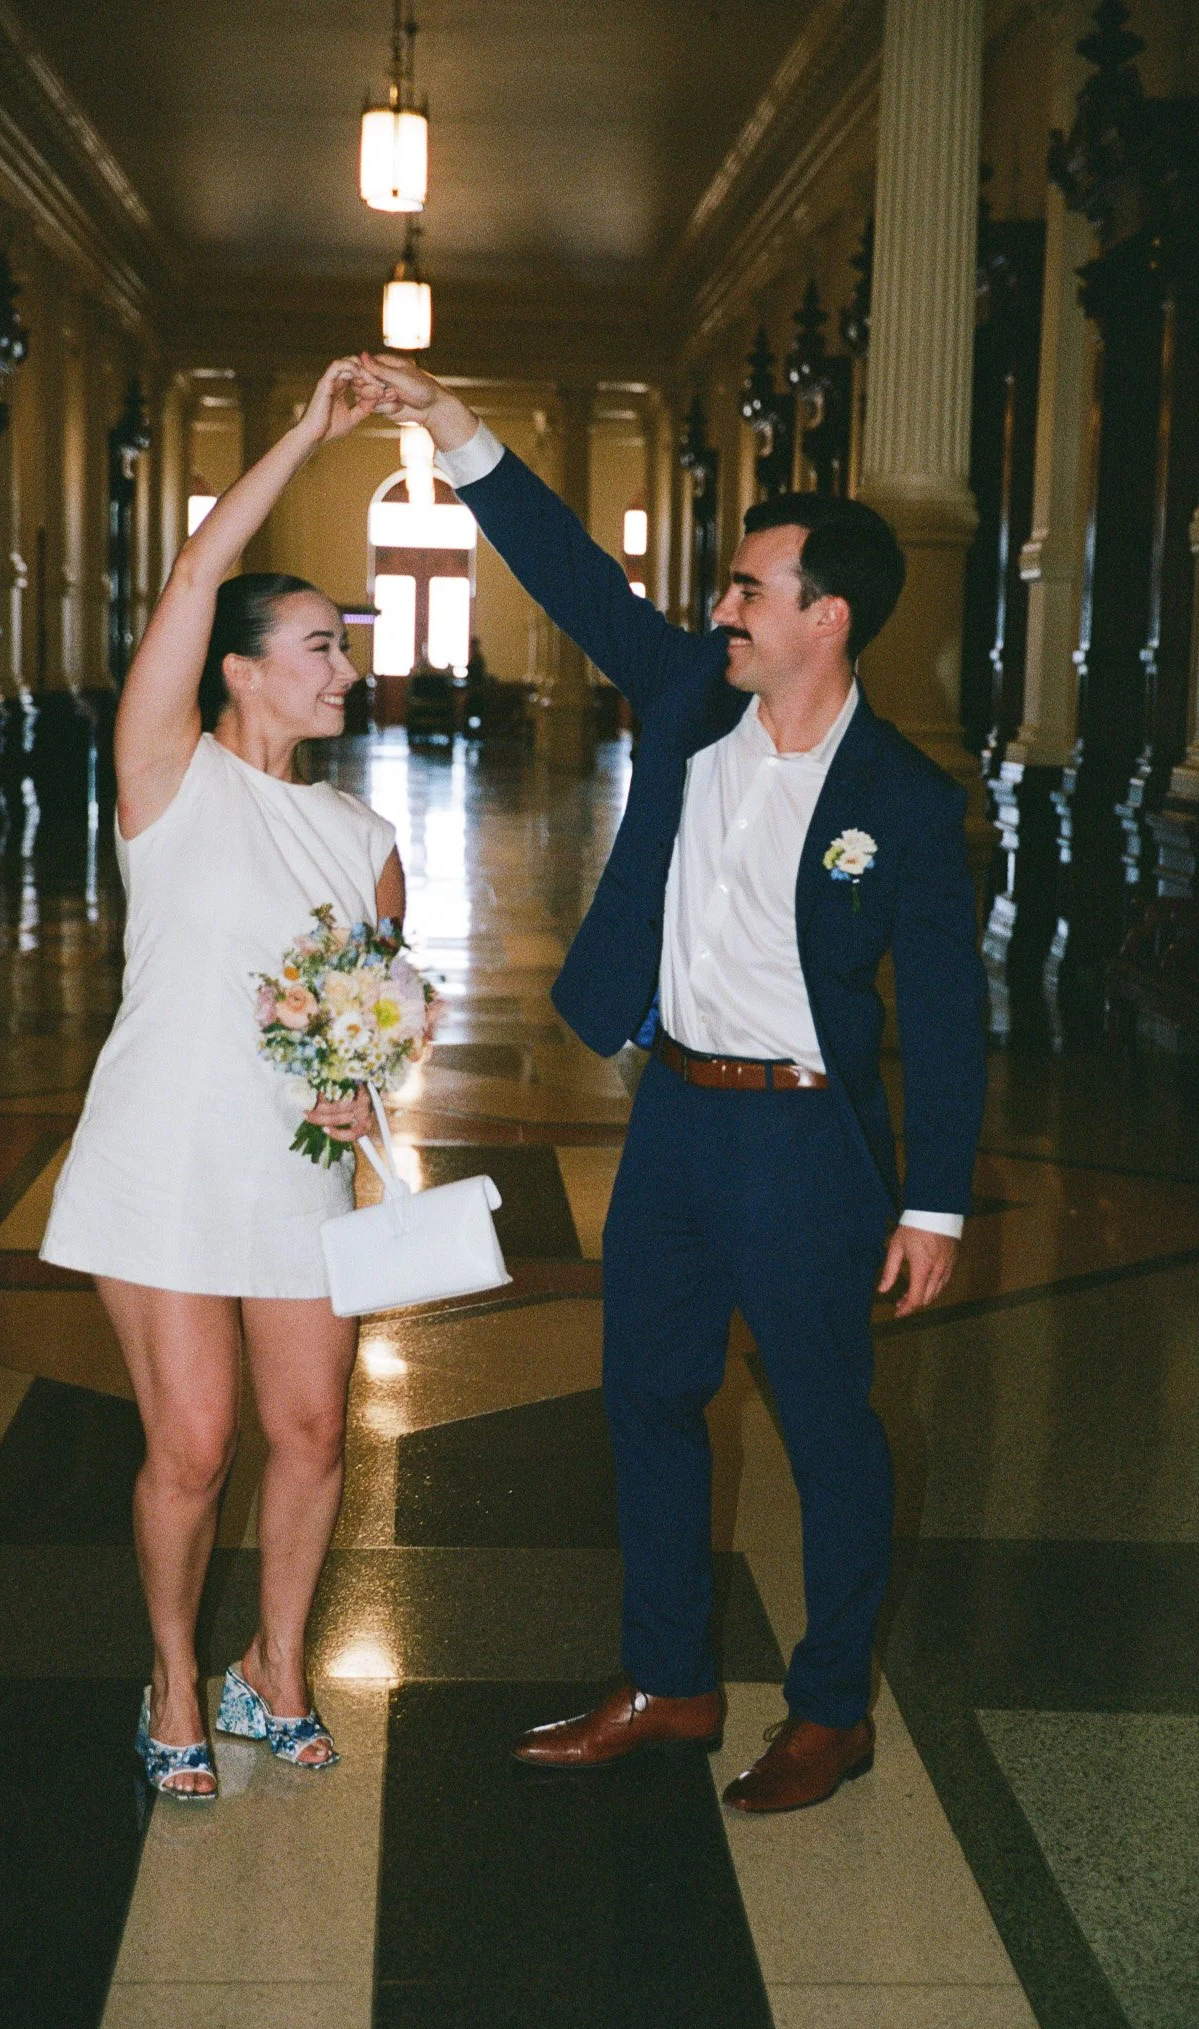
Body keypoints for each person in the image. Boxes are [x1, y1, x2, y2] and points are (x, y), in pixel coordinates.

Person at [361, 352, 986, 1814]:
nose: (720, 610)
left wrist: (936, 1203)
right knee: (646, 1396)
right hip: (676, 1118)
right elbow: (573, 575)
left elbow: (950, 1011)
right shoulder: (691, 697)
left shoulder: (903, 799)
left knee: (826, 1428)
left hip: (807, 1143)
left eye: (749, 590)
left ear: (825, 616)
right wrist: (454, 428)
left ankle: (829, 1711)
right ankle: (668, 1683)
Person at [41, 359, 402, 1799]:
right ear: (239, 666)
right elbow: (196, 571)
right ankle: (177, 1678)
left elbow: (374, 1010)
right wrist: (307, 435)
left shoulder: (364, 836)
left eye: (345, 648)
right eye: (317, 645)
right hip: (164, 1154)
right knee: (191, 1447)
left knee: (310, 1434)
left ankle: (276, 1668)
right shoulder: (168, 776)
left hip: (294, 1168)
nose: (344, 668)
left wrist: (366, 1088)